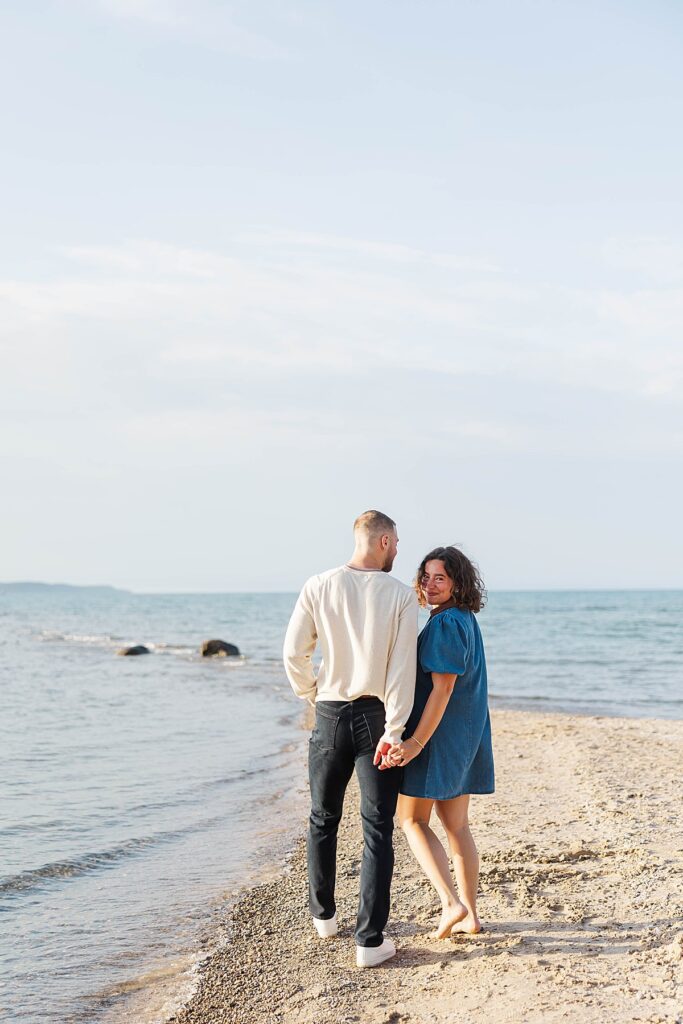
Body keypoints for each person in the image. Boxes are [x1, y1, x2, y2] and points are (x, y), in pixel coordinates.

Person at [283, 510, 418, 967]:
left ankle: (323, 917)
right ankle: (369, 941)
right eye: (396, 542)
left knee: (322, 816)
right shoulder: (399, 595)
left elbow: (293, 653)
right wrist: (395, 729)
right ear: (382, 541)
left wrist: (312, 695)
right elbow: (401, 671)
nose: (398, 550)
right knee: (377, 827)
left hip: (329, 713)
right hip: (375, 717)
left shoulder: (318, 585)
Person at [384, 545, 494, 939]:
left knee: (411, 819)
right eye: (425, 576)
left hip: (439, 739)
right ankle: (471, 915)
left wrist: (414, 742)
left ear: (458, 583)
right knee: (456, 826)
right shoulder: (462, 619)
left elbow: (442, 690)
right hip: (465, 736)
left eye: (440, 578)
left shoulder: (446, 624)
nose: (430, 584)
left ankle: (451, 903)